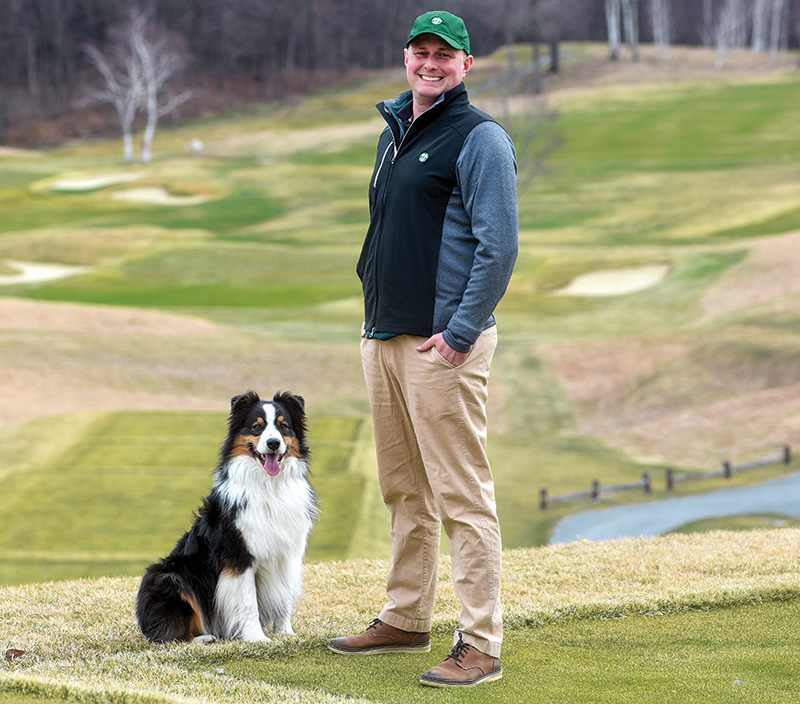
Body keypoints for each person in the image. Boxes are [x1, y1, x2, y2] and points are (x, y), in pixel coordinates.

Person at [327, 10, 518, 688]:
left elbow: (499, 248)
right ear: (405, 57)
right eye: (421, 52)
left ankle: (481, 645)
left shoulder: (479, 138)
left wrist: (462, 331)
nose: (431, 63)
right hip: (384, 337)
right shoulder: (396, 132)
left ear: (467, 65)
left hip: (444, 346)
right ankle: (406, 617)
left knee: (462, 496)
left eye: (446, 54)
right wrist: (371, 314)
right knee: (404, 489)